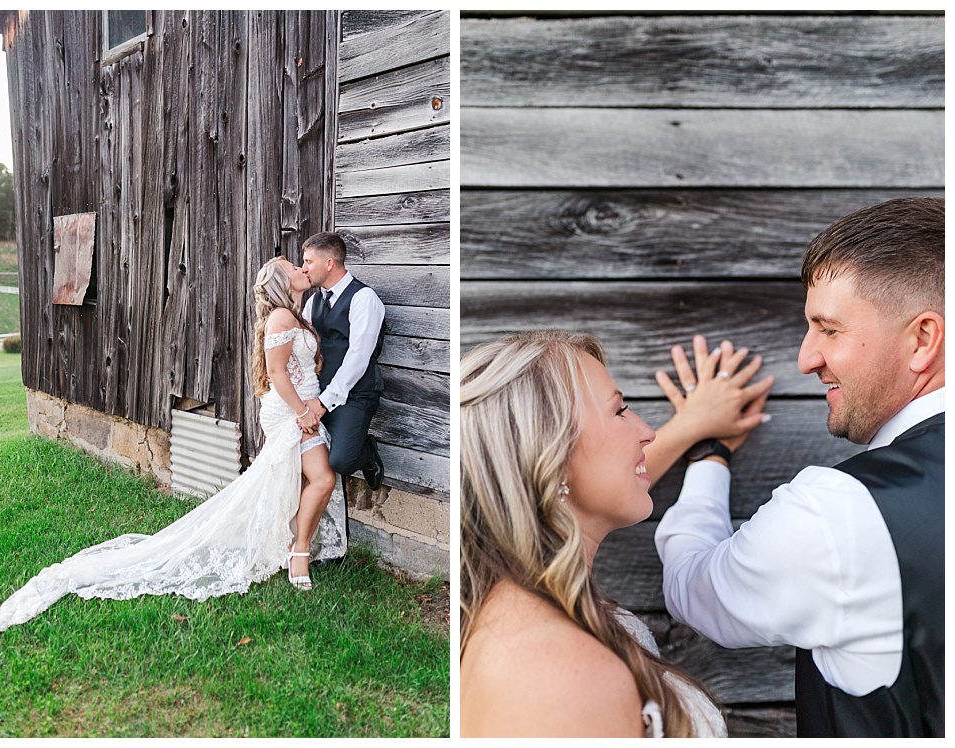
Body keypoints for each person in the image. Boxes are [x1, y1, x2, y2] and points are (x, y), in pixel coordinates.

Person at [653, 197, 944, 737]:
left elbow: (693, 588)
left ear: (922, 339)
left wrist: (708, 452)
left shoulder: (840, 513)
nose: (806, 358)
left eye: (828, 329)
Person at [0, 257, 341, 636]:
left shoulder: (295, 313)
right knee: (321, 479)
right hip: (292, 412)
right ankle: (297, 551)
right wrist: (303, 412)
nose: (303, 269)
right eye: (294, 267)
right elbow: (276, 374)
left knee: (296, 480)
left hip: (299, 410)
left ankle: (290, 544)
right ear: (281, 282)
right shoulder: (282, 319)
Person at [460, 329, 773, 737]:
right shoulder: (558, 677)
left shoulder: (522, 606)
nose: (648, 431)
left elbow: (597, 478)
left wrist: (697, 432)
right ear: (550, 455)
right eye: (620, 410)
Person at [301, 232, 386, 494]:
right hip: (319, 391)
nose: (304, 269)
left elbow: (358, 358)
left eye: (308, 262)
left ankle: (368, 452)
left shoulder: (364, 298)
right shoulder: (314, 300)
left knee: (341, 461)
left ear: (329, 263)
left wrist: (324, 402)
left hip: (356, 393)